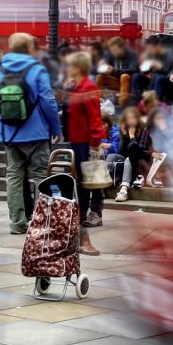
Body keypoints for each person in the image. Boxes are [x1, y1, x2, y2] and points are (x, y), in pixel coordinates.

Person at [0, 33, 62, 237]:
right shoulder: (37, 70)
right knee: (40, 177)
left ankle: (17, 223)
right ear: (29, 48)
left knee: (14, 177)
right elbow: (48, 102)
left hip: (10, 135)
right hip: (37, 133)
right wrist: (55, 128)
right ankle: (40, 222)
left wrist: (2, 122)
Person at [60, 52, 108, 253]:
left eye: (70, 65)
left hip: (86, 141)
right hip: (77, 139)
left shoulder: (88, 86)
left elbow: (95, 117)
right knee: (83, 178)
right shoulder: (76, 86)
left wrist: (95, 142)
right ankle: (87, 214)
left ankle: (91, 213)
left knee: (89, 179)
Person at [110, 103, 154, 202]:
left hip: (141, 162)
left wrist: (132, 136)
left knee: (129, 157)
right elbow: (121, 152)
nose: (131, 121)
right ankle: (109, 182)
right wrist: (125, 136)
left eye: (133, 118)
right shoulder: (125, 131)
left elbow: (137, 150)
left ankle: (124, 189)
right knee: (112, 157)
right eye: (128, 119)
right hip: (128, 162)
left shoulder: (144, 131)